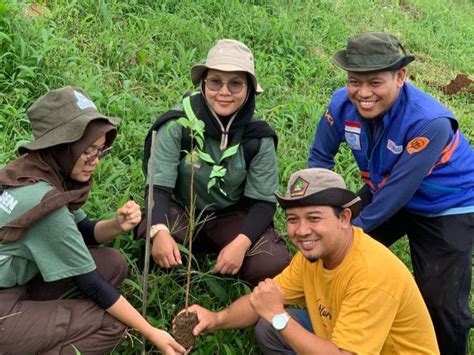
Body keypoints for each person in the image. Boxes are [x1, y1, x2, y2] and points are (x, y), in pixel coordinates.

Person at [307, 32, 474, 354]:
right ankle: (328, 324)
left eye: (375, 83)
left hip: (448, 205)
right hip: (383, 189)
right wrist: (323, 214)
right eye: (355, 81)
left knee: (441, 302)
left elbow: (400, 189)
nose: (363, 93)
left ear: (400, 77)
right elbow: (319, 159)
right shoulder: (341, 105)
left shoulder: (430, 122)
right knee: (327, 247)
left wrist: (352, 230)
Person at [0, 87, 186, 354]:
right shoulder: (44, 204)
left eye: (101, 151)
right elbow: (92, 284)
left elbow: (82, 231)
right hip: (4, 305)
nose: (95, 161)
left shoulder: (31, 169)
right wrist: (153, 332)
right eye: (87, 151)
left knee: (112, 264)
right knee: (110, 324)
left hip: (17, 281)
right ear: (62, 146)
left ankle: (35, 323)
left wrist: (116, 225)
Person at [180, 168, 439, 354]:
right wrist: (215, 318)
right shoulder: (313, 257)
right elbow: (262, 300)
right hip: (344, 338)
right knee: (268, 328)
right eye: (293, 219)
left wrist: (279, 316)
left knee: (276, 322)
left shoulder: (372, 274)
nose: (302, 230)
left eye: (314, 218)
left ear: (344, 218)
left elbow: (274, 310)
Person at [136, 39, 290, 285]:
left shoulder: (258, 137)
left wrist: (241, 244)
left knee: (271, 262)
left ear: (249, 88)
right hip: (182, 208)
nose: (224, 92)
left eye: (236, 84)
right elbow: (159, 188)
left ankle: (225, 252)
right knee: (152, 236)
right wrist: (159, 231)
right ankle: (176, 253)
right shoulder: (178, 124)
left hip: (229, 215)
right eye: (215, 81)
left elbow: (263, 203)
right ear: (204, 83)